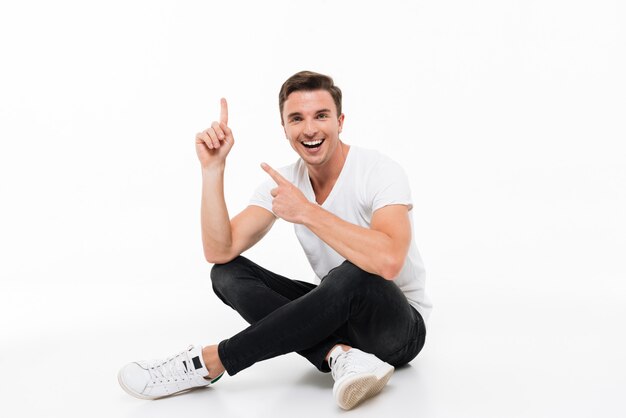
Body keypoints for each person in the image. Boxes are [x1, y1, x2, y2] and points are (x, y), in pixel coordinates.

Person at [118, 71, 432, 410]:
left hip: (398, 328)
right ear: (284, 129)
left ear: (340, 121)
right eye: (296, 118)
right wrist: (213, 170)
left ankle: (211, 361)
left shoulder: (379, 171)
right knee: (226, 274)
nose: (309, 129)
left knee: (351, 274)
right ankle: (339, 355)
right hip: (335, 316)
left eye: (321, 116)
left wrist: (307, 211)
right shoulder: (284, 182)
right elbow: (219, 250)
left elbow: (389, 261)